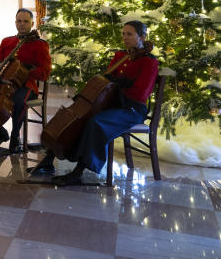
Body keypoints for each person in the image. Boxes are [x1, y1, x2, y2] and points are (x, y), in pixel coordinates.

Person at [34, 20, 159, 186]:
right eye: (123, 34)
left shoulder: (149, 61)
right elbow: (106, 80)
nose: (125, 37)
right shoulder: (121, 56)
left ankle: (79, 172)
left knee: (96, 122)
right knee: (82, 119)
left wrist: (119, 83)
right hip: (113, 105)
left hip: (131, 110)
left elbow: (140, 93)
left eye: (129, 34)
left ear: (142, 37)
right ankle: (49, 158)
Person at [0, 8, 51, 152]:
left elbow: (45, 72)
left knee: (19, 101)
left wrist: (25, 71)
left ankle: (15, 137)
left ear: (32, 24)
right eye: (19, 21)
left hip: (26, 85)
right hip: (0, 84)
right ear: (15, 23)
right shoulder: (7, 41)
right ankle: (0, 131)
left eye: (26, 21)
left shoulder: (40, 44)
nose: (22, 24)